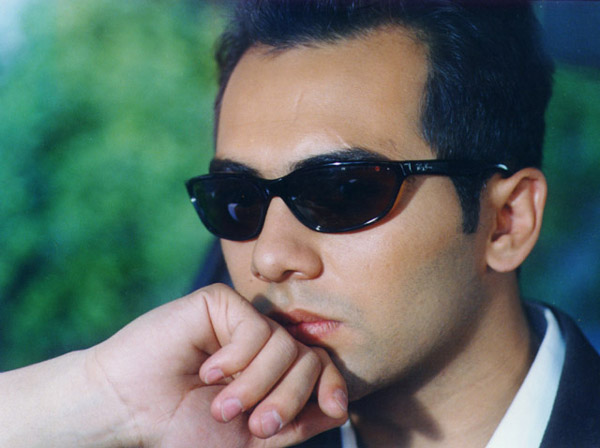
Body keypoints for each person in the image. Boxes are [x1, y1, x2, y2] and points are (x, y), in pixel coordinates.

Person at [1, 1, 599, 447]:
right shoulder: (202, 431)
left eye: (343, 192)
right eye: (237, 200)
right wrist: (105, 400)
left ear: (507, 221)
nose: (269, 257)